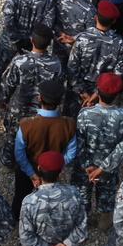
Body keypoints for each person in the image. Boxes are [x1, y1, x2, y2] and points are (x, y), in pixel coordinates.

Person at [70, 73, 123, 230]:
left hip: (85, 167)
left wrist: (86, 165)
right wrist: (104, 167)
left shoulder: (84, 114)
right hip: (107, 169)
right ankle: (104, 223)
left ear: (98, 90)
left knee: (81, 195)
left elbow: (79, 142)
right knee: (107, 193)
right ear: (116, 94)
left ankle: (80, 227)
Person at [0, 24, 63, 169]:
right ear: (49, 43)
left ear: (31, 40)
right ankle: (33, 161)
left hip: (18, 108)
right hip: (41, 109)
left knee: (12, 136)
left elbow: (8, 84)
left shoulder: (20, 61)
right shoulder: (56, 64)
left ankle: (8, 161)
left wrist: (3, 100)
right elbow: (57, 87)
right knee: (36, 138)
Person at [12, 80, 77, 221]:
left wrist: (32, 174)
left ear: (39, 98)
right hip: (52, 173)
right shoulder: (69, 124)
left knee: (21, 195)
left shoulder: (26, 124)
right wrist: (55, 166)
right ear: (60, 102)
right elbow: (71, 153)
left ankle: (19, 222)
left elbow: (19, 153)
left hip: (28, 168)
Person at [65, 0, 123, 118]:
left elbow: (72, 68)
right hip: (102, 93)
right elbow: (117, 73)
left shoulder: (82, 39)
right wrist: (98, 93)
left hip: (77, 91)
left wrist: (81, 91)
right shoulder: (119, 42)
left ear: (95, 17)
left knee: (70, 124)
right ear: (113, 21)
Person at [52, 0, 97, 70]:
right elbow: (91, 34)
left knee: (57, 68)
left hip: (59, 39)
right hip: (76, 47)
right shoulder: (89, 10)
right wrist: (73, 38)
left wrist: (58, 31)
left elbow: (50, 14)